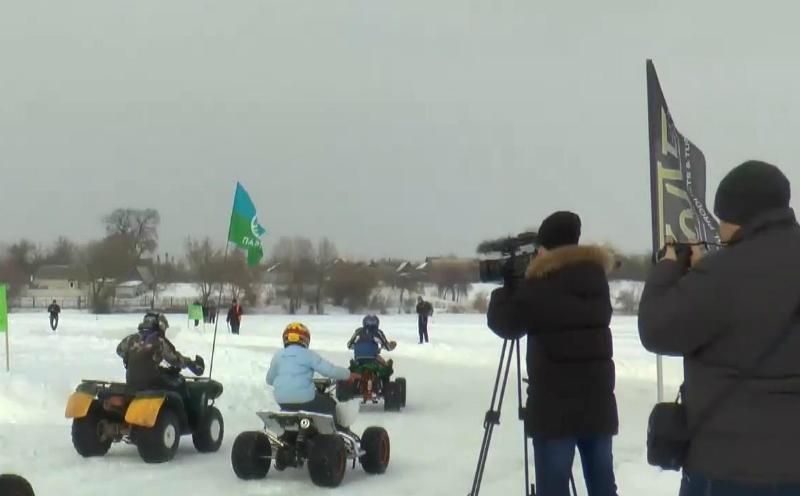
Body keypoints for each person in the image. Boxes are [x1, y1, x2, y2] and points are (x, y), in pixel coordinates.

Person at [638, 160, 800, 496]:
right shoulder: (719, 274)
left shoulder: (720, 275)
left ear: (737, 215)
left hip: (728, 467)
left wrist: (669, 270)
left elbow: (657, 330)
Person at [487, 211, 618, 496]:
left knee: (554, 488)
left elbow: (507, 324)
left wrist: (506, 290)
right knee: (603, 484)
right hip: (598, 405)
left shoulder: (540, 285)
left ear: (546, 247)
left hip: (554, 410)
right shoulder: (596, 280)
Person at [266, 322, 359, 430]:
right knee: (329, 404)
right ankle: (335, 434)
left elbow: (269, 380)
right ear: (305, 339)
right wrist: (348, 375)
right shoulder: (308, 355)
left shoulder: (278, 356)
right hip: (305, 399)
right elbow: (330, 371)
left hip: (282, 401)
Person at [116, 312, 203, 391]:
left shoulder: (131, 338)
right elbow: (174, 359)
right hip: (151, 383)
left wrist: (131, 357)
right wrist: (191, 364)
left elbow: (119, 350)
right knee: (179, 384)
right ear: (161, 325)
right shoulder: (159, 340)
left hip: (131, 381)